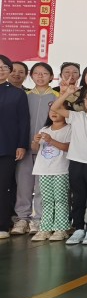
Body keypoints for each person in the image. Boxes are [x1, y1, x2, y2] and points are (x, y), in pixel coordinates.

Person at [50, 85, 87, 246]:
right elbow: (55, 107)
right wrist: (67, 93)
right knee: (77, 197)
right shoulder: (77, 116)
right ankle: (78, 228)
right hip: (76, 162)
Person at [13, 62, 58, 236]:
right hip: (24, 148)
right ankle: (22, 218)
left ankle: (39, 219)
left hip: (47, 149)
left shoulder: (56, 96)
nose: (40, 76)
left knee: (42, 186)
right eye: (37, 73)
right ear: (31, 76)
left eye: (44, 73)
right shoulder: (24, 96)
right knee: (23, 185)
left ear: (51, 76)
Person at [30, 107, 71, 242]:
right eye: (52, 110)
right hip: (43, 170)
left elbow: (68, 147)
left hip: (61, 169)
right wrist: (35, 141)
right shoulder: (44, 129)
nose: (54, 113)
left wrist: (51, 140)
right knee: (47, 200)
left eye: (58, 110)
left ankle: (61, 228)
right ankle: (45, 228)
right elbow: (35, 149)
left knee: (60, 199)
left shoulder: (69, 129)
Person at [0, 54, 29, 240]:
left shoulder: (17, 93)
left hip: (7, 146)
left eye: (4, 67)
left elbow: (23, 121)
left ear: (9, 71)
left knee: (3, 187)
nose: (1, 70)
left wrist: (21, 144)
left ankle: (2, 225)